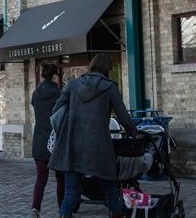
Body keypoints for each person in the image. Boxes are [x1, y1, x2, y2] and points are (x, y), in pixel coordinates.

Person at [49, 54, 137, 218]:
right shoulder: (110, 87)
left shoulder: (73, 84)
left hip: (72, 147)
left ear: (92, 66)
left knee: (70, 195)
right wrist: (132, 131)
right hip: (99, 147)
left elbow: (56, 110)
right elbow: (124, 117)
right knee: (111, 190)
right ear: (107, 69)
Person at [30, 63, 64, 217]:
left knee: (41, 178)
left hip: (39, 141)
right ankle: (62, 210)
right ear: (55, 76)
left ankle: (35, 209)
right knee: (61, 178)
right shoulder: (58, 93)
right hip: (55, 141)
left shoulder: (36, 93)